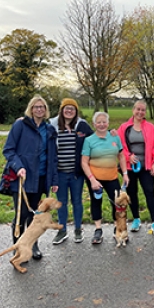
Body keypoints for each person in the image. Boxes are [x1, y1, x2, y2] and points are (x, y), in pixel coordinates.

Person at [2, 95, 58, 260]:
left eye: (42, 107)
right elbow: (9, 150)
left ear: (46, 110)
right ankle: (19, 247)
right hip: (22, 179)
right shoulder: (20, 125)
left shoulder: (49, 130)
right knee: (22, 215)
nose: (39, 109)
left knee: (36, 216)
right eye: (36, 107)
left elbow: (53, 157)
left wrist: (54, 180)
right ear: (31, 109)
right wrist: (19, 167)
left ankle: (33, 245)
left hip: (41, 179)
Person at [49, 98, 94, 244]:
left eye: (72, 109)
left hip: (76, 174)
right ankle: (62, 231)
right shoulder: (52, 125)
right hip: (59, 172)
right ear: (61, 110)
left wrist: (111, 134)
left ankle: (78, 229)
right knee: (61, 202)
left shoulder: (81, 125)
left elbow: (95, 139)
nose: (69, 111)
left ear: (76, 111)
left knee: (77, 201)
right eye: (66, 108)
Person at [81, 112, 129, 244]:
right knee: (96, 202)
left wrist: (125, 173)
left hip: (112, 177)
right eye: (98, 122)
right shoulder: (89, 140)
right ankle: (98, 229)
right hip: (95, 179)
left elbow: (121, 156)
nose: (101, 124)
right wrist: (92, 179)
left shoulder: (114, 137)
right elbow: (84, 162)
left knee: (117, 203)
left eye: (104, 122)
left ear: (108, 123)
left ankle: (117, 228)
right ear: (94, 124)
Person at [117, 100, 154, 236]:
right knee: (132, 193)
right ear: (133, 110)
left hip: (146, 167)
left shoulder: (150, 127)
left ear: (145, 112)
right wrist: (128, 156)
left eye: (143, 110)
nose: (140, 112)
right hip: (130, 168)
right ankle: (136, 219)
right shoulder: (124, 127)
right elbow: (119, 145)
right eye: (138, 109)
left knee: (150, 192)